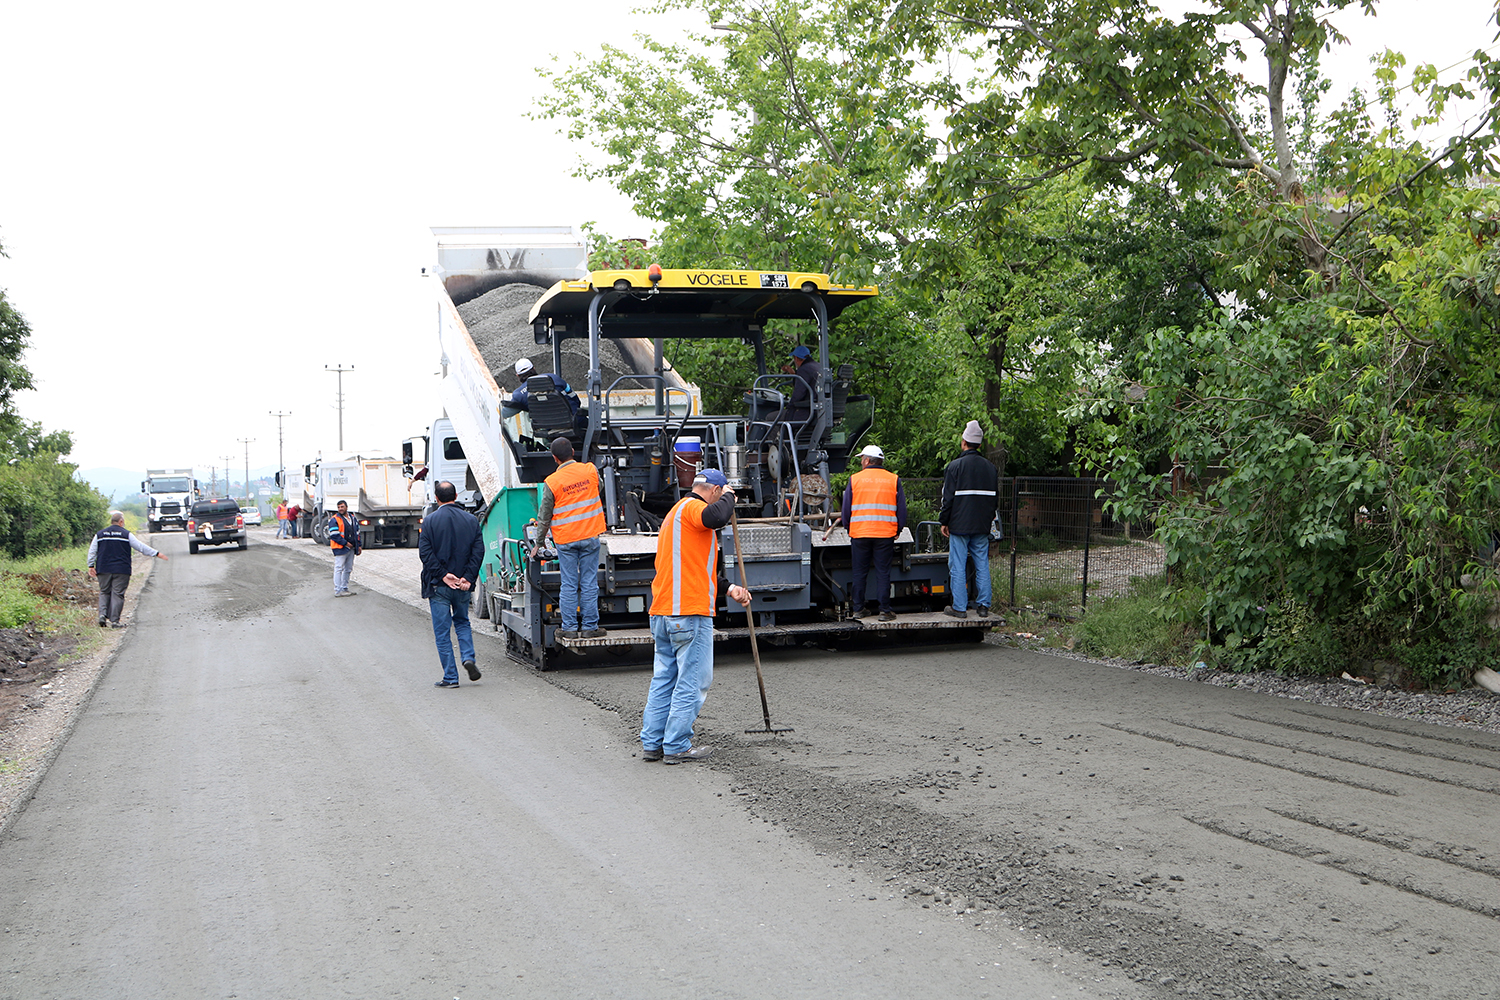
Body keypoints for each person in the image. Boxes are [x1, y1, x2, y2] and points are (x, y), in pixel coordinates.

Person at [640, 469, 751, 764]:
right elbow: (717, 516)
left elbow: (699, 568)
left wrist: (730, 589)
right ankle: (676, 744)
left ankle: (653, 743)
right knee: (693, 680)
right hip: (688, 612)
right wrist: (730, 495)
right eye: (720, 494)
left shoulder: (676, 515)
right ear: (712, 491)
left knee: (664, 678)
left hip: (664, 611)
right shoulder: (693, 508)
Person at [531, 437, 606, 639]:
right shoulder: (590, 470)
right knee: (589, 582)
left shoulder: (552, 482)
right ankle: (590, 627)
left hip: (566, 539)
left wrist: (538, 543)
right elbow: (598, 489)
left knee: (569, 584)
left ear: (555, 458)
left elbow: (544, 515)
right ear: (573, 451)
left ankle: (570, 628)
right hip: (590, 534)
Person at [420, 480, 485, 689]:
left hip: (440, 586)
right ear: (455, 496)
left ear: (436, 498)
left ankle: (450, 677)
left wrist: (443, 575)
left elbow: (425, 554)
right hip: (463, 586)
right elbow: (478, 552)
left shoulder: (429, 521)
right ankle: (468, 657)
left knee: (442, 632)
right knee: (462, 622)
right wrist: (467, 577)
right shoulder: (471, 520)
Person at [836, 444, 907, 621]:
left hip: (859, 533)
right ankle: (884, 611)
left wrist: (848, 527)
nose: (861, 462)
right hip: (885, 534)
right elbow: (902, 509)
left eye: (862, 459)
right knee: (883, 572)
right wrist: (898, 528)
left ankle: (859, 609)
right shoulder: (893, 479)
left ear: (867, 460)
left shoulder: (855, 479)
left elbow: (846, 509)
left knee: (859, 572)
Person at [940, 420, 1000, 619]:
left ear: (963, 442)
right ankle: (983, 606)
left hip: (959, 524)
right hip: (982, 525)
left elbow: (947, 499)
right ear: (980, 445)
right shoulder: (990, 468)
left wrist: (944, 521)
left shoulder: (955, 467)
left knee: (957, 564)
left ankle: (959, 607)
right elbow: (994, 499)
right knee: (981, 562)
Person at [86, 511, 167, 628]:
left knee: (104, 591)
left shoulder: (99, 534)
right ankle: (114, 621)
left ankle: (102, 616)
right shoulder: (126, 534)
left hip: (103, 568)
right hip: (121, 569)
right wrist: (156, 553)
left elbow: (92, 551)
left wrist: (90, 565)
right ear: (121, 522)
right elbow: (140, 547)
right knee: (117, 594)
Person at [507, 357, 581, 421]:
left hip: (548, 430)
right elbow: (573, 396)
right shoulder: (554, 377)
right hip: (575, 421)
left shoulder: (519, 395)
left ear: (517, 376)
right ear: (533, 368)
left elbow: (506, 413)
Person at [328, 500, 362, 596]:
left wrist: (358, 545)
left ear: (346, 507)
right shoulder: (334, 520)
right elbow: (334, 535)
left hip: (351, 548)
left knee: (348, 569)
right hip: (340, 548)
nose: (340, 509)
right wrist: (345, 543)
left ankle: (344, 588)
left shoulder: (353, 518)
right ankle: (338, 591)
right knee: (339, 568)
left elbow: (357, 533)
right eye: (339, 507)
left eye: (342, 507)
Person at [782, 345, 823, 423]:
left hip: (805, 413)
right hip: (818, 410)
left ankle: (781, 435)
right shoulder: (818, 366)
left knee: (771, 417)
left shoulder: (803, 370)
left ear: (796, 358)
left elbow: (798, 394)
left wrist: (789, 407)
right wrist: (794, 374)